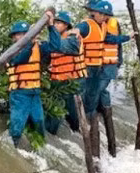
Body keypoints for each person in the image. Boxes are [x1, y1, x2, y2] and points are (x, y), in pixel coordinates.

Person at [75, 0, 134, 157]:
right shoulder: (87, 25)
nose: (91, 12)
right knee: (86, 91)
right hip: (90, 65)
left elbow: (113, 41)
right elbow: (76, 34)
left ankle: (90, 115)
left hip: (103, 65)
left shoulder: (106, 26)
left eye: (105, 14)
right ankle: (83, 117)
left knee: (96, 91)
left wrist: (128, 38)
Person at [41, 10, 87, 135]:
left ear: (66, 26)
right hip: (57, 82)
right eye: (54, 22)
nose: (56, 25)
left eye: (59, 23)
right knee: (55, 110)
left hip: (72, 82)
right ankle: (52, 134)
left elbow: (59, 46)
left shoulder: (73, 38)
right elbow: (45, 59)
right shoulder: (54, 40)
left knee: (73, 114)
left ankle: (76, 133)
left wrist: (50, 28)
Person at [6, 15, 49, 146]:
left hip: (35, 92)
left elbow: (54, 46)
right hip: (19, 93)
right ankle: (14, 146)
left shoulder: (38, 47)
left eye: (25, 34)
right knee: (17, 123)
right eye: (19, 35)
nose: (22, 37)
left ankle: (39, 148)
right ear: (14, 37)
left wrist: (50, 27)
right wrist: (30, 41)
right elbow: (21, 59)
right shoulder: (12, 52)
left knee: (39, 121)